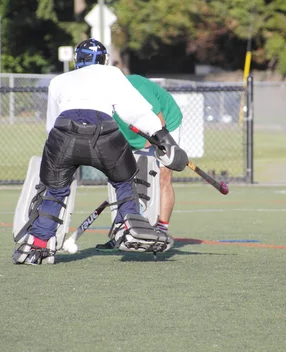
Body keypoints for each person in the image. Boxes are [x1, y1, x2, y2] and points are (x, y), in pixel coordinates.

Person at [12, 38, 188, 265]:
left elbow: (51, 126)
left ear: (77, 59)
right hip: (102, 133)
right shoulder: (112, 74)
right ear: (104, 60)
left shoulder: (58, 81)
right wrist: (165, 141)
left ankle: (37, 244)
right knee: (125, 181)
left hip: (63, 135)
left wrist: (56, 158)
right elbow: (136, 112)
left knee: (55, 192)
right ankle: (130, 226)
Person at [96, 74, 183, 250]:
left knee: (162, 178)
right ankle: (124, 230)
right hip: (133, 134)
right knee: (125, 181)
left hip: (164, 128)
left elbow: (160, 124)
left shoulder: (138, 89)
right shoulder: (99, 97)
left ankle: (161, 229)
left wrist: (148, 150)